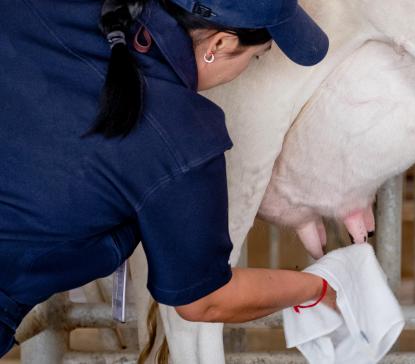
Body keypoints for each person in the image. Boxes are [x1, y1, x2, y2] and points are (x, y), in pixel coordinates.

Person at [0, 0, 334, 357]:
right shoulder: (182, 137)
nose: (247, 68)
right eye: (254, 57)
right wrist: (321, 289)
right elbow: (205, 299)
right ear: (219, 45)